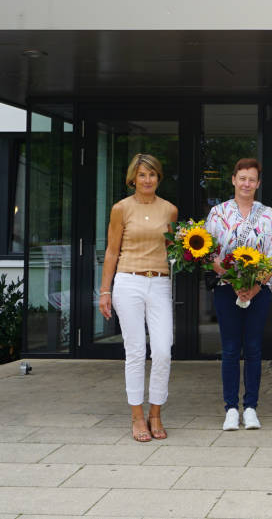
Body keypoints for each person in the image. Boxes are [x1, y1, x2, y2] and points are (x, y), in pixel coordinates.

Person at [99, 153, 177, 442]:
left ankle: (155, 413)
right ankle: (136, 417)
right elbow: (111, 251)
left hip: (159, 283)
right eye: (142, 175)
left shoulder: (170, 210)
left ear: (159, 178)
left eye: (153, 175)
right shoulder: (121, 208)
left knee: (163, 350)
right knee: (134, 351)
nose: (147, 180)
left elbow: (174, 251)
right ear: (133, 178)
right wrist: (104, 291)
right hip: (128, 282)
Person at [206, 158, 272, 431]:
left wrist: (255, 286)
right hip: (227, 289)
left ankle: (250, 407)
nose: (247, 183)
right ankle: (230, 408)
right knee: (229, 349)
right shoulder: (217, 213)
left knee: (253, 348)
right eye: (242, 178)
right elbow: (210, 255)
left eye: (252, 179)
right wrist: (233, 280)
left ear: (258, 184)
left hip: (259, 291)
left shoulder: (268, 214)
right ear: (234, 180)